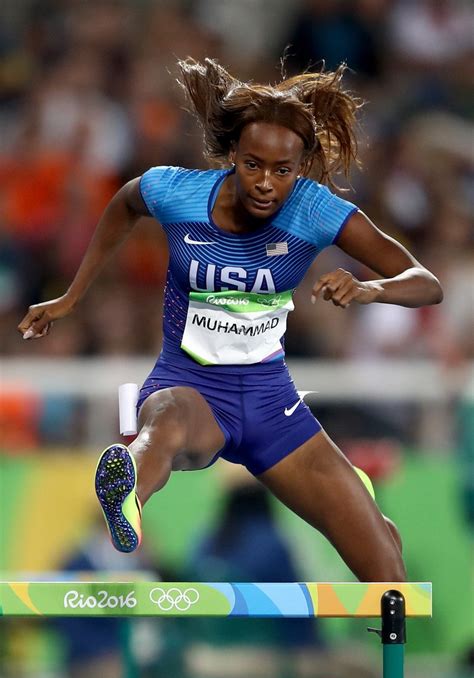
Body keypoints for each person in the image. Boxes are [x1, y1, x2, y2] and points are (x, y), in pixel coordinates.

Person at [18, 58, 443, 581]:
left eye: (282, 171)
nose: (266, 183)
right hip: (190, 386)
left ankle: (366, 518)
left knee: (388, 575)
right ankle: (126, 486)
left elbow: (426, 282)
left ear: (301, 168)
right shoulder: (179, 193)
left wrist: (371, 287)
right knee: (166, 421)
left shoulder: (316, 209)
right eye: (252, 165)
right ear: (232, 157)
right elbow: (123, 205)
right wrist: (72, 295)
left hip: (272, 404)